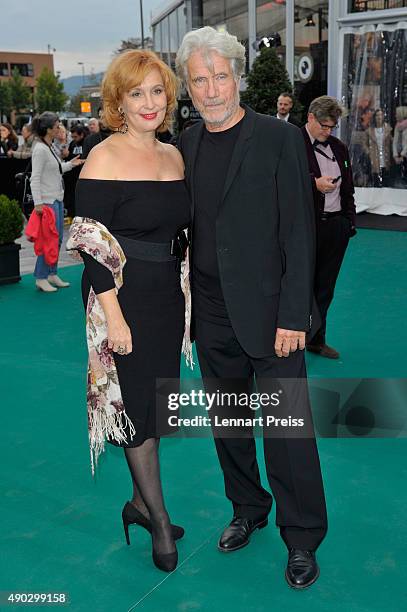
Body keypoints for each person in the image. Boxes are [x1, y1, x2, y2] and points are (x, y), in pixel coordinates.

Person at [176, 26, 326, 589]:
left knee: (289, 433)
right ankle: (248, 508)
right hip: (211, 314)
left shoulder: (280, 138)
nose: (212, 89)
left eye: (220, 76)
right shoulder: (186, 144)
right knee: (231, 426)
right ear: (188, 87)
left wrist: (294, 316)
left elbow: (298, 232)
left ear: (237, 76)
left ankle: (303, 535)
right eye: (200, 79)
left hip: (272, 316)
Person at [68, 49, 191, 573]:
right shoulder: (105, 156)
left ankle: (139, 504)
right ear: (118, 101)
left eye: (157, 91)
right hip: (121, 294)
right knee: (136, 407)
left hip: (166, 293)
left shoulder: (174, 156)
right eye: (136, 93)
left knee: (159, 402)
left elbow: (183, 233)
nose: (148, 102)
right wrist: (114, 317)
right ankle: (159, 520)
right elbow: (90, 242)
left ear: (168, 98)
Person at [301, 96, 356, 359]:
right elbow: (282, 183)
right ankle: (289, 339)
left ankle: (316, 339)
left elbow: (349, 188)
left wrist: (349, 223)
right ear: (310, 117)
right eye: (324, 125)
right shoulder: (293, 143)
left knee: (325, 287)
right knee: (299, 286)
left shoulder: (339, 147)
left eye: (332, 127)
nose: (328, 131)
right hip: (305, 228)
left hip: (336, 227)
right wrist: (314, 184)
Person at [30, 112, 83, 292]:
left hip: (56, 199)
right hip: (47, 202)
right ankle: (41, 276)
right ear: (48, 129)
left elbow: (58, 168)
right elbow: (34, 178)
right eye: (57, 125)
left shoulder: (49, 146)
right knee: (48, 240)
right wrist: (38, 203)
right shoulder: (40, 149)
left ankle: (51, 273)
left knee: (57, 239)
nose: (60, 128)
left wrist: (72, 164)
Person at [363, 109, 392, 187]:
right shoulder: (370, 130)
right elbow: (364, 144)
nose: (379, 117)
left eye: (381, 115)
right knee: (376, 179)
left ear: (383, 116)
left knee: (386, 178)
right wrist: (369, 152)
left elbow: (392, 141)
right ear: (374, 117)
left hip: (385, 157)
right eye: (377, 115)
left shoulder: (388, 129)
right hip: (374, 158)